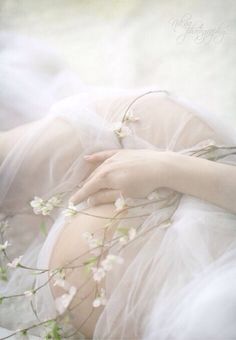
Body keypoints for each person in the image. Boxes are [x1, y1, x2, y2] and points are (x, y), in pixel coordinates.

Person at [0, 34, 236, 340]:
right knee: (127, 122)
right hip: (209, 171)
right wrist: (169, 168)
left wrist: (166, 169)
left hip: (190, 275)